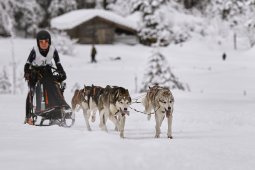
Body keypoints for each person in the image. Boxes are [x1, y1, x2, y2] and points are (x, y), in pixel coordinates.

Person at [24, 30, 67, 125]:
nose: (43, 44)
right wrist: (27, 72)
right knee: (31, 91)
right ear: (38, 42)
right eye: (41, 42)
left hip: (47, 70)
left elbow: (58, 63)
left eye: (46, 41)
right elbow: (27, 64)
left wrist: (62, 73)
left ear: (49, 41)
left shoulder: (53, 50)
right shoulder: (34, 50)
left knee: (54, 86)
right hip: (35, 71)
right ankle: (28, 116)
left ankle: (56, 109)